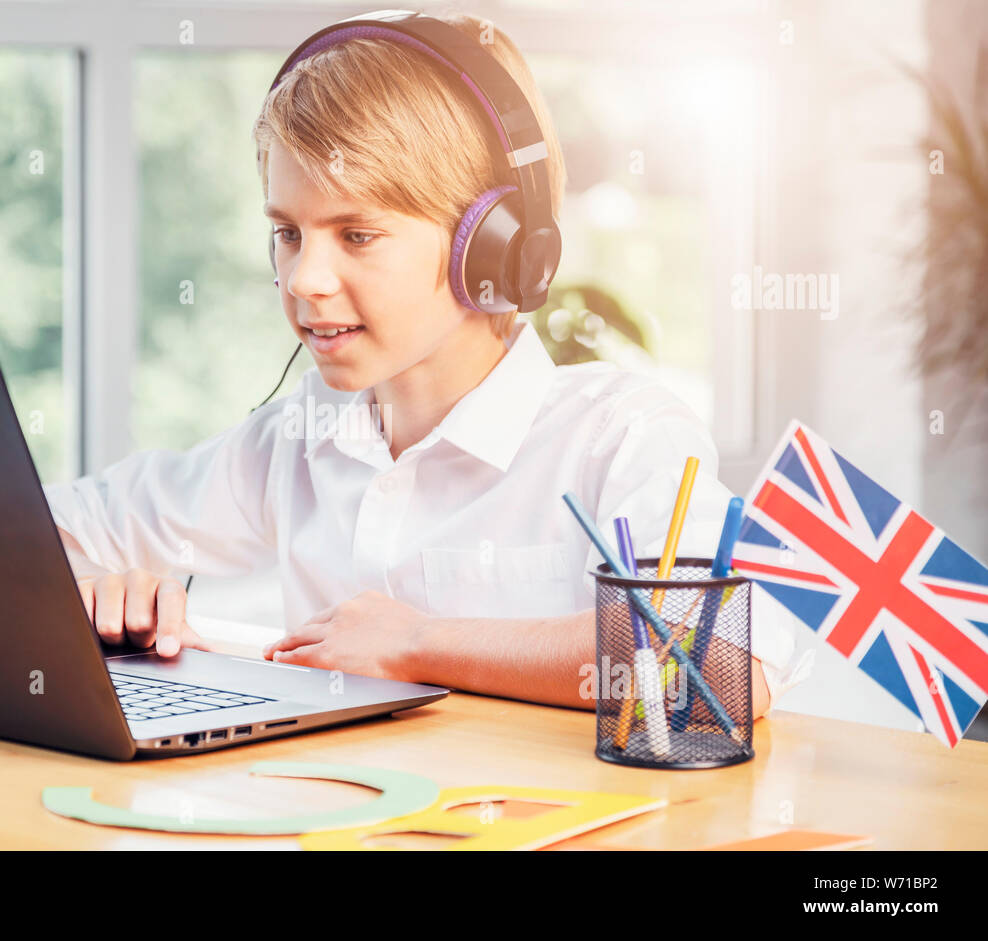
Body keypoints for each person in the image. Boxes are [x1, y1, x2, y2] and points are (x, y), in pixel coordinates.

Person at [44, 11, 811, 717]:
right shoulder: (294, 441)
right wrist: (101, 599)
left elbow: (724, 664)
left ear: (493, 245)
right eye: (287, 233)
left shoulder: (616, 435)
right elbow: (26, 535)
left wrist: (419, 644)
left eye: (357, 235)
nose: (305, 279)